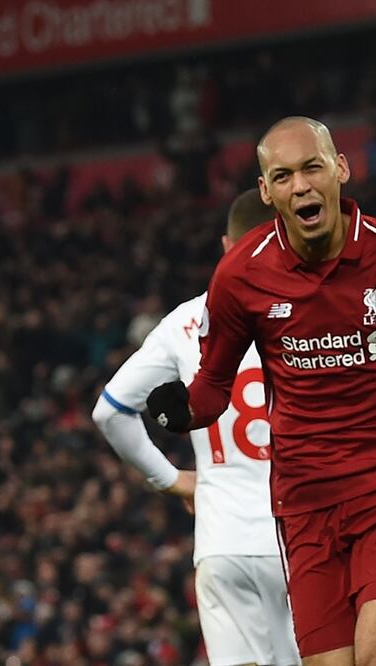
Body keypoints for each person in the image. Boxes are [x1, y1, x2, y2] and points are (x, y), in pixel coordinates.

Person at [145, 116, 376, 666]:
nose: (300, 186)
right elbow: (213, 387)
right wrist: (182, 411)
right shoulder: (241, 274)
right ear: (266, 190)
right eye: (283, 176)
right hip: (305, 501)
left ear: (340, 169)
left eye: (312, 168)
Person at [92, 189, 301, 666]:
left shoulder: (184, 322)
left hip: (221, 544)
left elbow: (110, 412)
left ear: (227, 245)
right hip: (301, 536)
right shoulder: (316, 310)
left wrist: (170, 480)